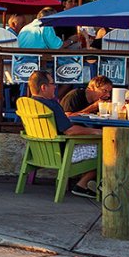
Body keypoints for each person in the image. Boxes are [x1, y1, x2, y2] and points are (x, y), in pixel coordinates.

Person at [28, 71, 101, 199]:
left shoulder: (29, 104)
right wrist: (97, 132)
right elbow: (69, 131)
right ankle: (82, 185)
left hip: (39, 152)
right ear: (43, 87)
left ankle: (86, 183)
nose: (55, 86)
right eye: (52, 84)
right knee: (106, 149)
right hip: (63, 153)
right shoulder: (52, 105)